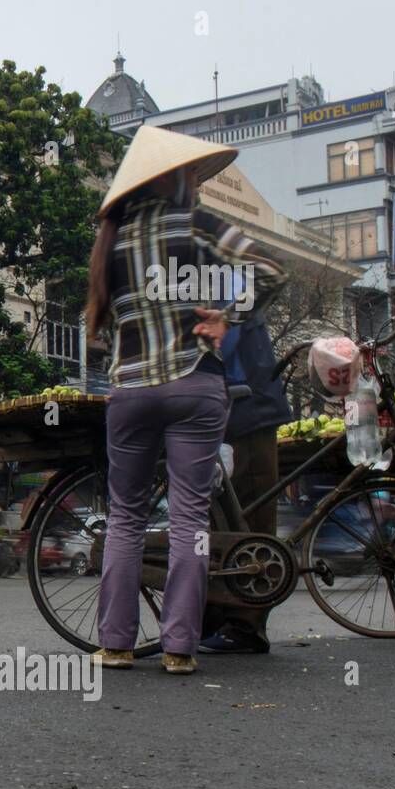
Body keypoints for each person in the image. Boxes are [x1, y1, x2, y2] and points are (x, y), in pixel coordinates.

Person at [84, 126, 286, 675]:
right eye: (190, 176)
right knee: (190, 519)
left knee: (124, 517)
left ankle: (116, 644)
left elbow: (104, 324)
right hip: (194, 383)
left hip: (128, 392)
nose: (194, 184)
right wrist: (226, 316)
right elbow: (269, 270)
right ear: (171, 179)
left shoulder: (111, 238)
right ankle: (179, 648)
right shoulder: (195, 224)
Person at [199, 311, 291, 653]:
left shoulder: (231, 286)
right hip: (226, 409)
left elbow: (228, 338)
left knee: (250, 518)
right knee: (218, 521)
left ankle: (246, 625)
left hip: (249, 407)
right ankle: (213, 617)